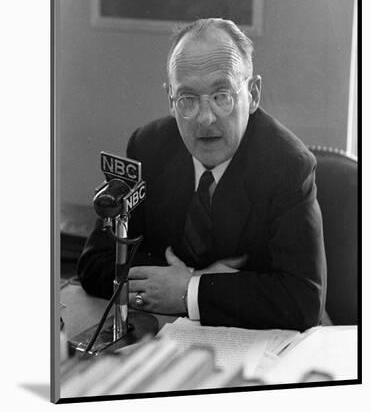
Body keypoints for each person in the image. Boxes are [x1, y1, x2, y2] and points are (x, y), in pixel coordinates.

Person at [78, 18, 327, 331]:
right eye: (188, 99)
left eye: (222, 95)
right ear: (170, 100)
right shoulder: (148, 146)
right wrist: (169, 286)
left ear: (253, 94)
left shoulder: (288, 165)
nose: (205, 118)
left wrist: (190, 289)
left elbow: (303, 301)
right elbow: (94, 262)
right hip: (166, 339)